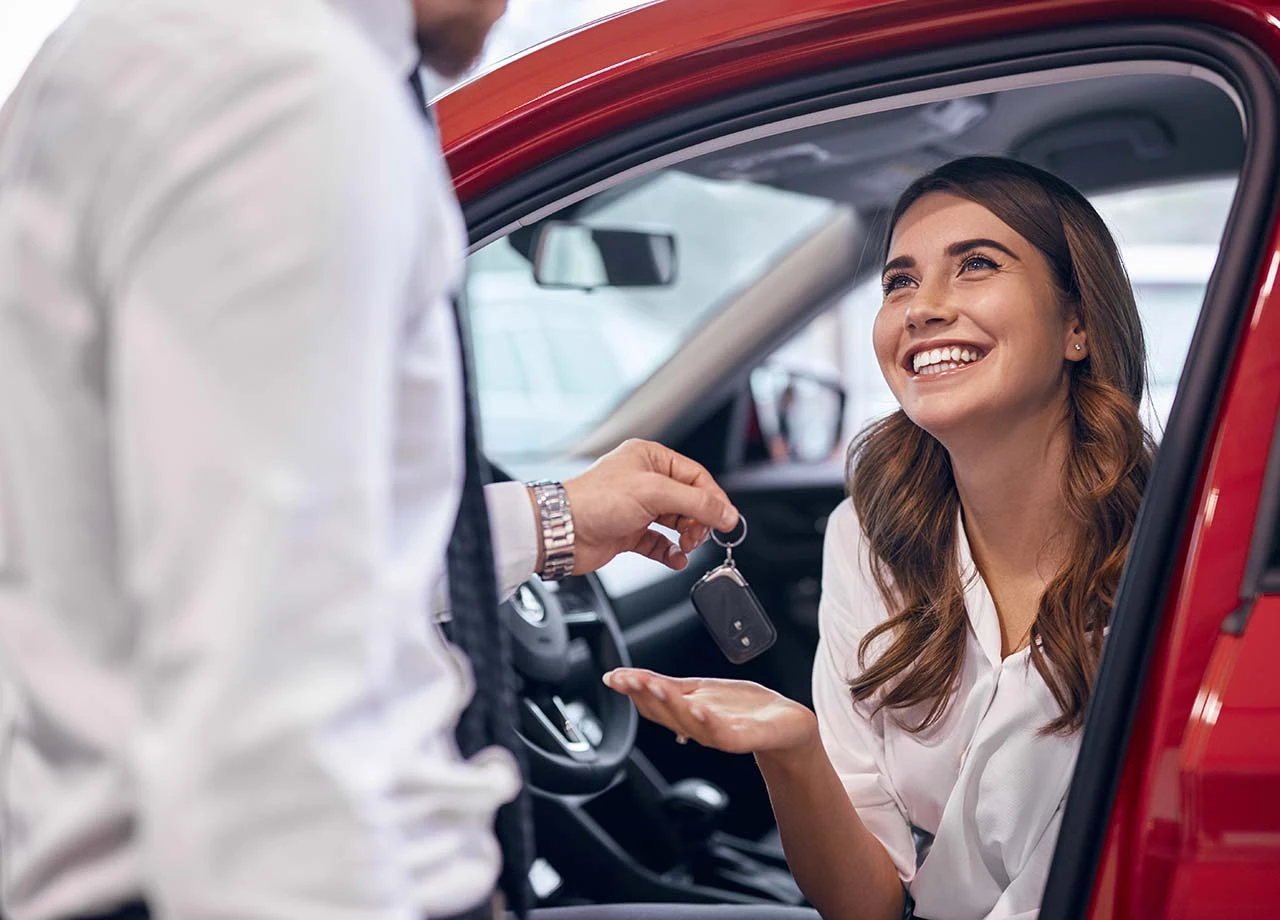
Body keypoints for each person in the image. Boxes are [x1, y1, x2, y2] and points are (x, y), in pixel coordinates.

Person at [0, 2, 811, 919]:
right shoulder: (283, 90)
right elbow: (274, 697)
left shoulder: (135, 57)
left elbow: (285, 560)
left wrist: (556, 520)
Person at [606, 155, 1154, 920]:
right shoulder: (869, 537)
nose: (921, 309)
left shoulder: (1175, 552)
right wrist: (793, 751)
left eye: (976, 266)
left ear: (1078, 324)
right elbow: (866, 906)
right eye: (900, 280)